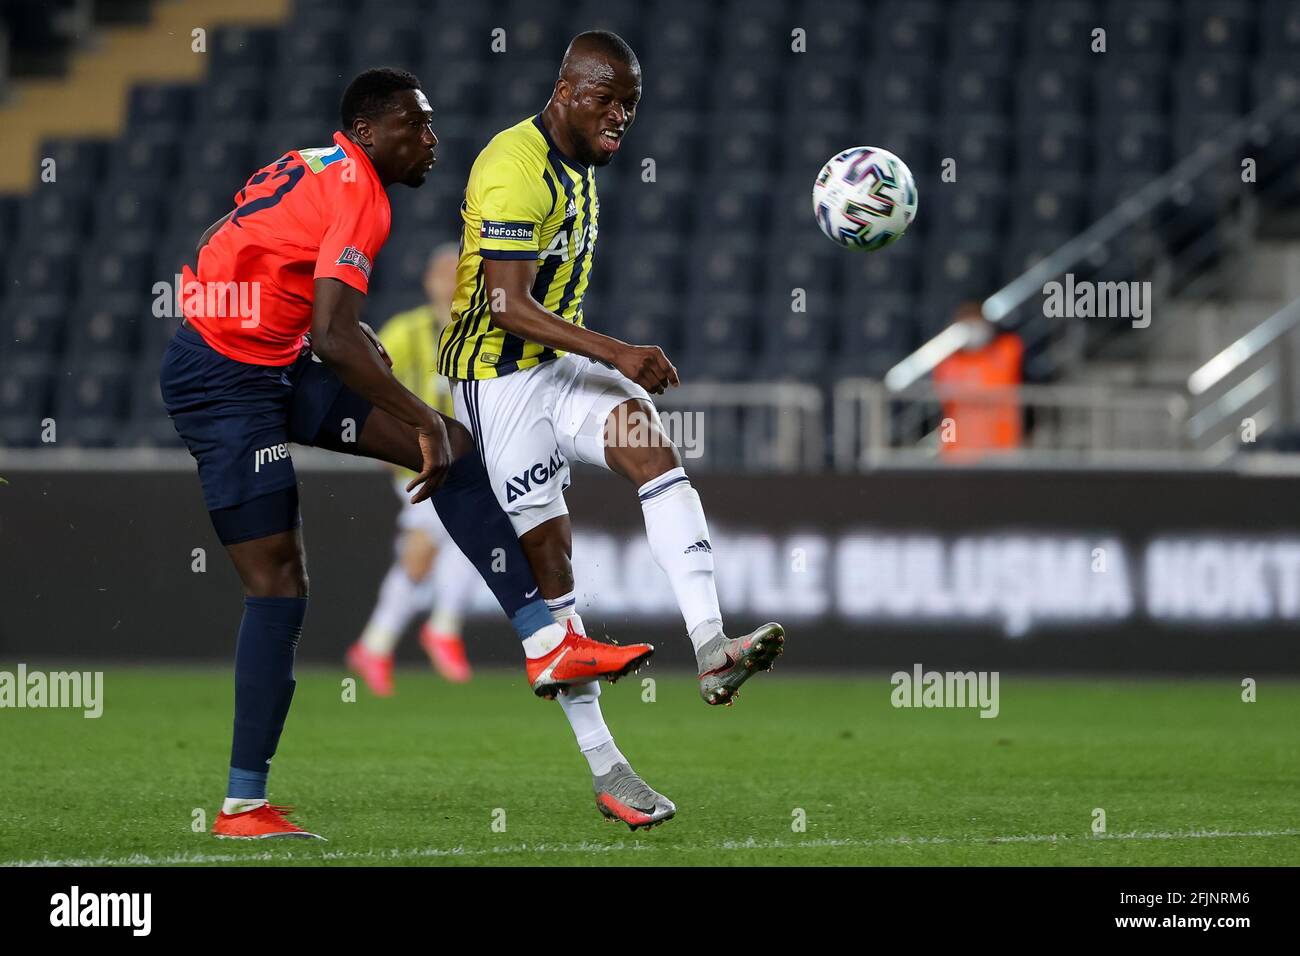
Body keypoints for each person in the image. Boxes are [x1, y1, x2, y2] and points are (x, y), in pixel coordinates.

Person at [159, 69, 653, 841]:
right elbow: (332, 336)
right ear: (367, 132)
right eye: (414, 126)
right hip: (224, 384)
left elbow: (234, 250)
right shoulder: (360, 195)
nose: (431, 141)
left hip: (273, 364)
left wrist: (369, 374)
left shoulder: (319, 165)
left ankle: (544, 643)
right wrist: (413, 410)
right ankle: (242, 806)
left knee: (452, 448)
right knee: (281, 582)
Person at [438, 32, 787, 829]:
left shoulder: (582, 165)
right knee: (553, 572)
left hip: (556, 372)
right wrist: (619, 352)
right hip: (495, 384)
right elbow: (504, 307)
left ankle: (711, 646)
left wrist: (603, 362)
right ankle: (609, 769)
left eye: (631, 104)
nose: (621, 118)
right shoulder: (511, 167)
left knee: (654, 452)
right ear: (564, 90)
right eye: (607, 100)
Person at [347, 244, 478, 694]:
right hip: (416, 458)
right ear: (428, 281)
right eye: (442, 273)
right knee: (458, 533)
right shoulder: (406, 331)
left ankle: (376, 643)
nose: (450, 281)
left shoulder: (481, 330)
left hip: (466, 460)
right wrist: (382, 440)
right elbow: (366, 379)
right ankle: (441, 628)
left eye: (457, 272)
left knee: (427, 552)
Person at [932, 301, 1024, 460]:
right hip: (956, 451)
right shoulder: (947, 362)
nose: (972, 329)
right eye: (966, 324)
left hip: (1000, 448)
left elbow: (1013, 348)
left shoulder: (1006, 351)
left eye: (975, 321)